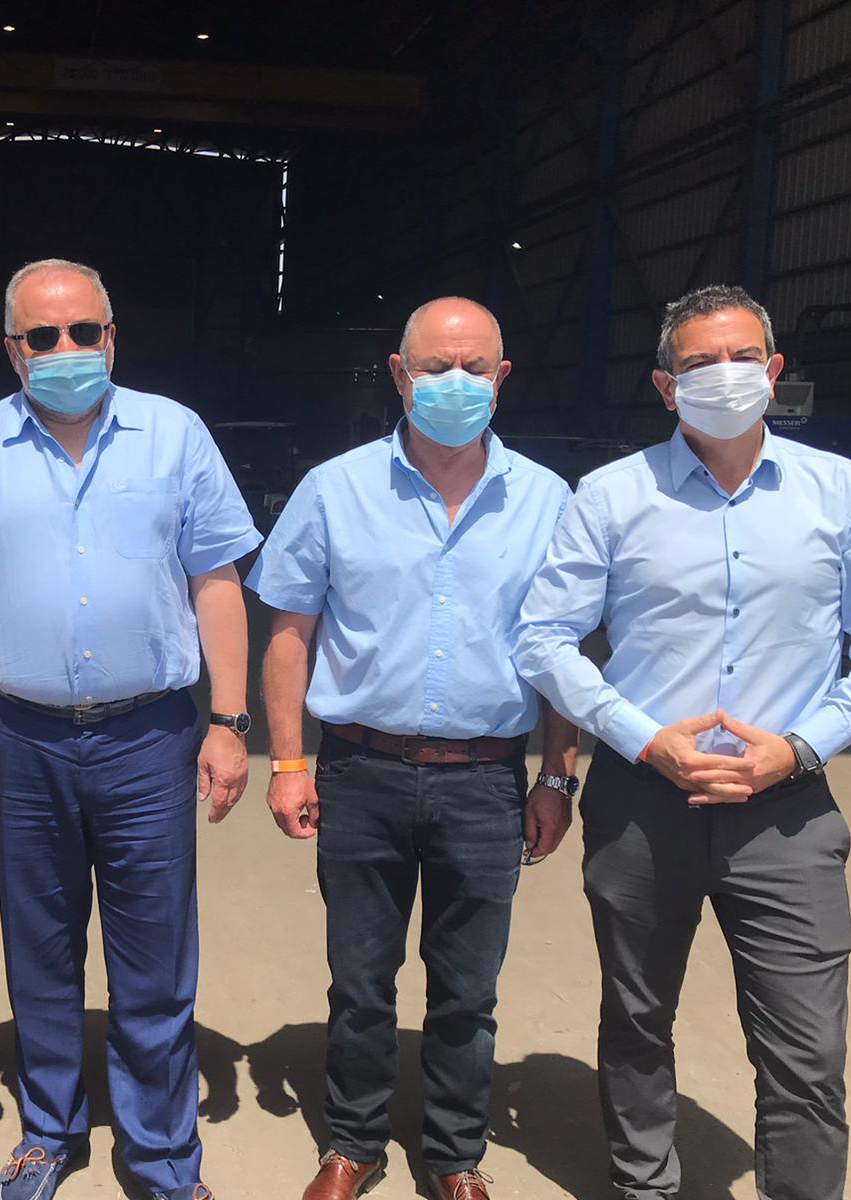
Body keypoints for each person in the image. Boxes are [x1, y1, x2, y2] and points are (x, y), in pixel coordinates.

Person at [514, 284, 851, 1200]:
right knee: (638, 1018)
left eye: (741, 358)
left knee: (806, 1047)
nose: (723, 376)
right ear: (665, 386)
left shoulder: (843, 493)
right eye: (699, 363)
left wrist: (802, 746)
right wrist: (642, 738)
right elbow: (544, 637)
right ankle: (644, 1184)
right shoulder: (613, 497)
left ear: (774, 372)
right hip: (643, 804)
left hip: (786, 813)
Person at [0, 258, 261, 1200]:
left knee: (155, 953)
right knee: (40, 944)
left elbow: (216, 581)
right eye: (42, 336)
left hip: (150, 737)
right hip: (18, 738)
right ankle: (50, 1130)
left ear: (112, 337)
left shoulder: (175, 436)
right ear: (12, 350)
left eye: (84, 332)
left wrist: (230, 722)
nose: (65, 349)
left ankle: (162, 1154)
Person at [249, 297, 579, 1200]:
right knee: (360, 980)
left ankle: (455, 1155)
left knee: (468, 988)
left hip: (486, 780)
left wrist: (557, 777)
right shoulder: (335, 489)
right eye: (435, 367)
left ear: (502, 380)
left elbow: (562, 652)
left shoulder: (548, 502)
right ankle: (352, 1142)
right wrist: (287, 763)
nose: (454, 383)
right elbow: (289, 633)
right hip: (361, 772)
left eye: (474, 368)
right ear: (400, 375)